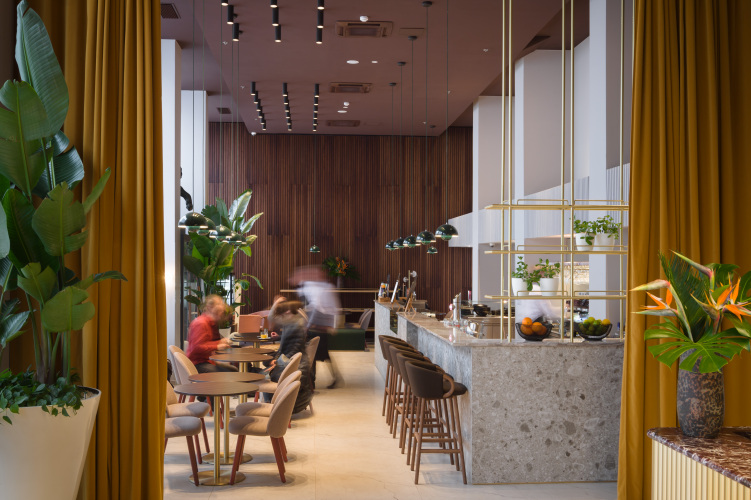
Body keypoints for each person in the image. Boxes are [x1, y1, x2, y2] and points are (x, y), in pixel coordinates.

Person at [264, 296, 312, 413]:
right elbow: (292, 341)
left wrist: (277, 362)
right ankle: (268, 400)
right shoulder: (292, 322)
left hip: (296, 363)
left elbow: (295, 350)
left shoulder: (296, 324)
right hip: (290, 359)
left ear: (288, 311)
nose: (281, 315)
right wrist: (279, 337)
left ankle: (270, 402)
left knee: (267, 373)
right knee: (266, 362)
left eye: (282, 311)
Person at [298, 277, 342, 389]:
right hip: (320, 332)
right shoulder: (320, 299)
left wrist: (309, 326)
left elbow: (316, 318)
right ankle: (315, 380)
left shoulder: (320, 300)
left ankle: (313, 381)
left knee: (316, 357)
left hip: (320, 333)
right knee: (319, 357)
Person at [186, 295, 238, 373]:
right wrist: (217, 346)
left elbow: (206, 343)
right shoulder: (201, 323)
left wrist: (220, 342)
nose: (221, 311)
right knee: (230, 373)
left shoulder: (212, 323)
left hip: (206, 361)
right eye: (218, 311)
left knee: (233, 370)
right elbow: (196, 348)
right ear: (209, 308)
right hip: (197, 365)